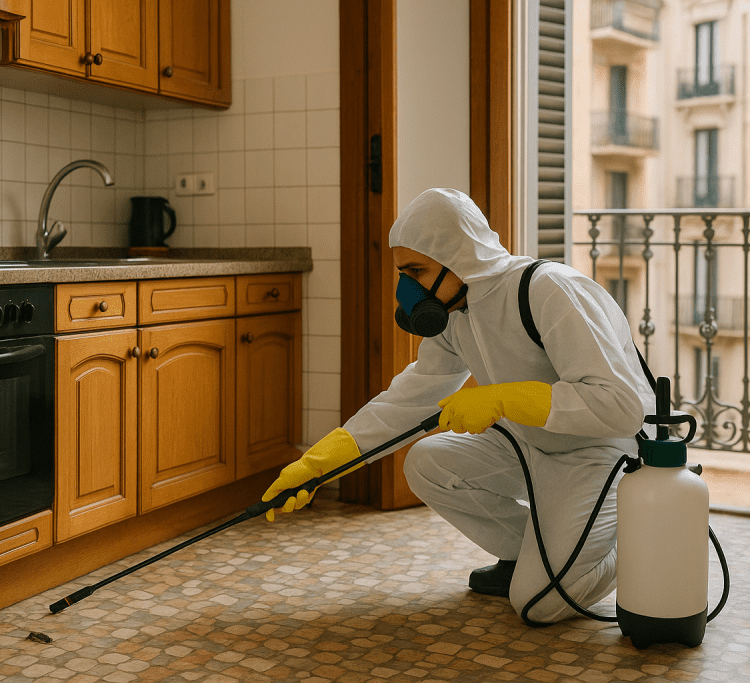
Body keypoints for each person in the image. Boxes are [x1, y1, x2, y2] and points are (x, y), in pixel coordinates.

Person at [261, 188, 654, 623]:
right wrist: (320, 465)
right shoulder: (456, 312)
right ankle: (530, 556)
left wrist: (505, 397)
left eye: (416, 270)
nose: (406, 287)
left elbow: (621, 405)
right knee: (429, 462)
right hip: (531, 444)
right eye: (402, 272)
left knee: (538, 605)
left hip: (599, 453)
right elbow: (411, 398)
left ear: (459, 257)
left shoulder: (548, 290)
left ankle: (636, 540)